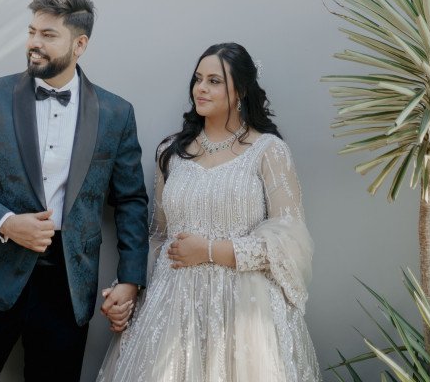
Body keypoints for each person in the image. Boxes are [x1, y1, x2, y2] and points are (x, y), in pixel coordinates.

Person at [0, 0, 149, 382]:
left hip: (68, 285)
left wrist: (131, 279)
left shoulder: (116, 113)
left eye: (48, 35)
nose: (34, 42)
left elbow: (131, 201)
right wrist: (6, 222)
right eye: (32, 31)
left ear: (79, 44)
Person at [96, 42, 319, 382]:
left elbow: (289, 239)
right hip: (172, 307)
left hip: (244, 310)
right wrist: (127, 287)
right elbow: (158, 236)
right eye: (198, 79)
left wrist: (211, 250)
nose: (200, 88)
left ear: (240, 91)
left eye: (214, 81)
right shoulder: (172, 152)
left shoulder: (268, 151)